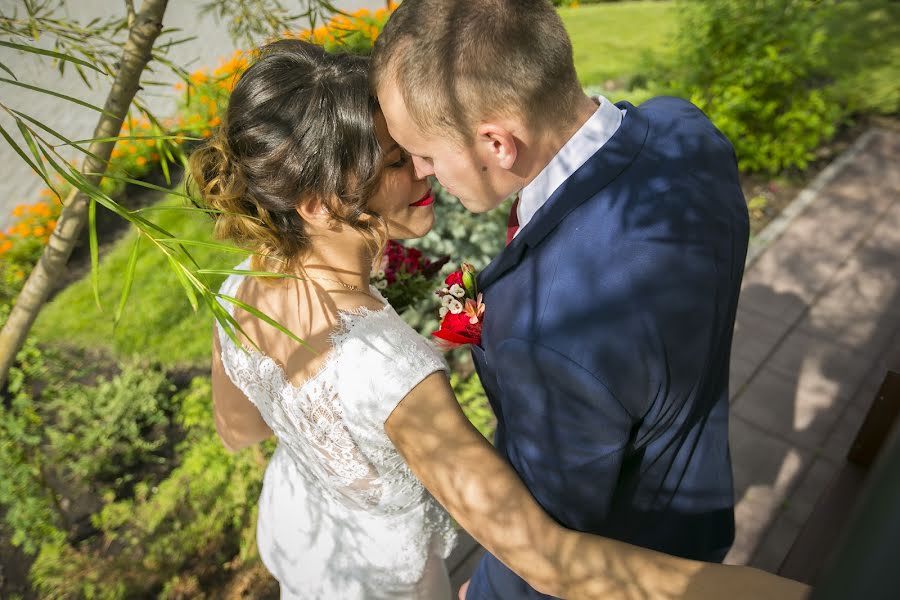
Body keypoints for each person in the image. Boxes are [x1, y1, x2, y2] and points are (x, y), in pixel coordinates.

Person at [192, 38, 809, 600]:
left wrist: (329, 442)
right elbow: (550, 560)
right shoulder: (388, 372)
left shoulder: (238, 287)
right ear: (321, 205)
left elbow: (240, 430)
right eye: (394, 159)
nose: (423, 165)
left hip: (298, 536)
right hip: (386, 582)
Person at [371, 0, 748, 597]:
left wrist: (488, 592)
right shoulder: (685, 129)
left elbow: (553, 535)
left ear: (496, 143)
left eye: (425, 152)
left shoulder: (550, 331)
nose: (420, 171)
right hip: (699, 490)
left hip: (637, 559)